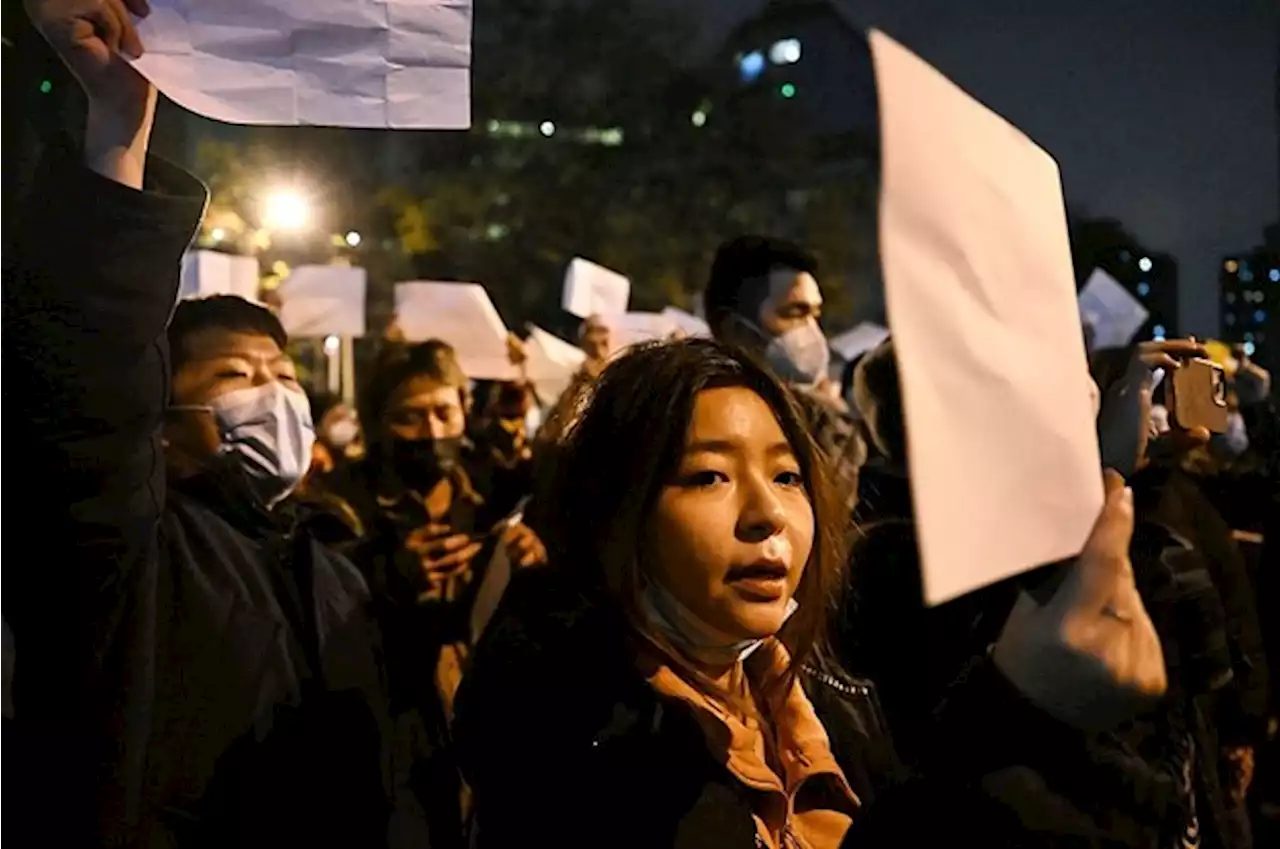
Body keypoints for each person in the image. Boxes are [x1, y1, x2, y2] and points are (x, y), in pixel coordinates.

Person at [454, 338, 1167, 849]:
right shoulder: (570, 744)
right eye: (708, 475)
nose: (767, 514)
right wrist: (1013, 721)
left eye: (788, 475)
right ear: (614, 512)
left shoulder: (828, 697)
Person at [8, 3, 393, 844]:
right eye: (234, 374)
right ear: (163, 412)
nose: (271, 393)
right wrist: (118, 130)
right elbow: (89, 371)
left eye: (283, 375)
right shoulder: (131, 550)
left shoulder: (338, 574)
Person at [339, 338, 546, 848]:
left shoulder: (495, 496)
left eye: (442, 413)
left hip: (492, 733)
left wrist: (532, 565)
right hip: (388, 740)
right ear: (378, 423)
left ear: (463, 410)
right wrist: (388, 577)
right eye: (410, 417)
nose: (431, 433)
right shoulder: (343, 506)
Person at [704, 235, 864, 510]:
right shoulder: (692, 427)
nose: (813, 332)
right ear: (734, 329)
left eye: (815, 315)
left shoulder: (832, 431)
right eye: (794, 313)